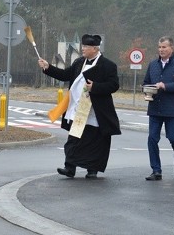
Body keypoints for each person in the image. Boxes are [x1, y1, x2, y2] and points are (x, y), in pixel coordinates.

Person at [37, 33, 121, 179]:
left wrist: (95, 87)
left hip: (96, 111)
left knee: (96, 142)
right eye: (83, 46)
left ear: (95, 48)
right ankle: (69, 167)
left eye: (86, 46)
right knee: (73, 140)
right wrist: (48, 67)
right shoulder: (79, 63)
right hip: (79, 109)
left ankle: (92, 169)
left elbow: (114, 85)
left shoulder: (108, 65)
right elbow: (64, 75)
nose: (83, 49)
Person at [142, 36, 174, 181]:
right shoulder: (153, 65)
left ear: (172, 48)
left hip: (173, 109)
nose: (161, 50)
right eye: (159, 47)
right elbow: (146, 82)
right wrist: (146, 90)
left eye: (164, 47)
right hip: (155, 108)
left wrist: (166, 86)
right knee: (152, 138)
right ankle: (156, 170)